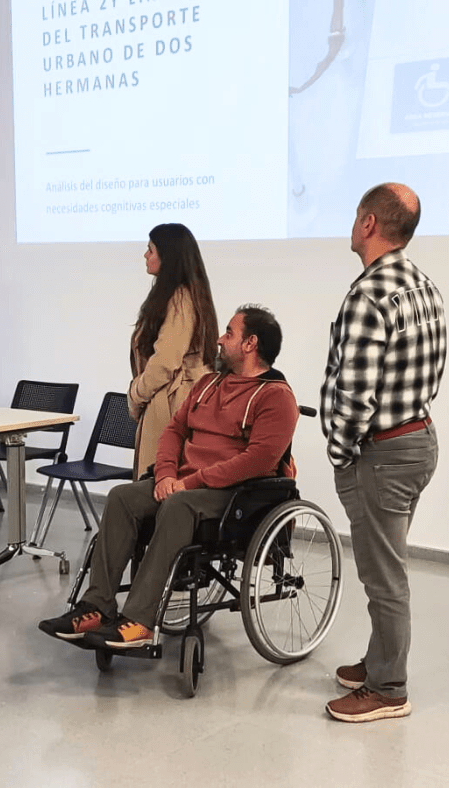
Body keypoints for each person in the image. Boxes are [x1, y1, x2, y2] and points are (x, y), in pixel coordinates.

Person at [39, 305, 299, 649]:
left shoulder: (275, 396)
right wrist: (164, 475)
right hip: (182, 485)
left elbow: (258, 461)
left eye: (229, 333)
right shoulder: (208, 384)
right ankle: (97, 606)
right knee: (122, 497)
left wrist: (188, 483)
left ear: (251, 343)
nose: (219, 340)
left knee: (179, 505)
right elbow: (174, 431)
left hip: (234, 494)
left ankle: (140, 621)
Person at [322, 183, 446, 723]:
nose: (353, 225)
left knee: (383, 576)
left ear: (369, 223)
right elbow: (433, 372)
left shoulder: (368, 296)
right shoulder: (424, 286)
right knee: (386, 563)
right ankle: (378, 663)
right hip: (418, 441)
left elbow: (355, 394)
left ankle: (388, 688)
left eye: (356, 215)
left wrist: (339, 452)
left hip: (383, 454)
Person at [128, 223, 219, 479]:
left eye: (151, 250)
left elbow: (165, 362)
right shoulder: (189, 295)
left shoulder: (180, 298)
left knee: (158, 483)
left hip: (171, 402)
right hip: (175, 399)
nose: (145, 255)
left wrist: (136, 394)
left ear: (168, 256)